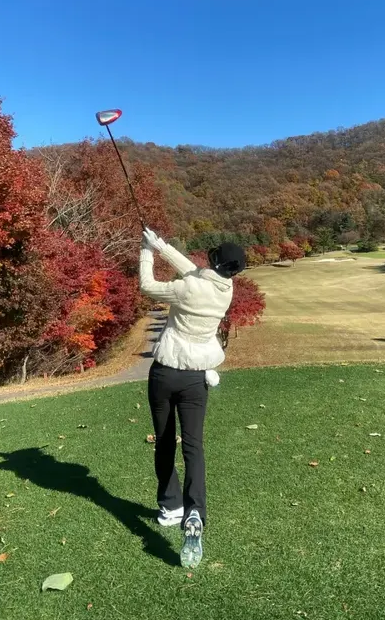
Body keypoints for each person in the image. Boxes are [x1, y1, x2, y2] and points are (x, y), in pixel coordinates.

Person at [139, 228, 246, 568]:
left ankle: (171, 508)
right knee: (194, 446)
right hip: (196, 380)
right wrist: (161, 245)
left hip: (166, 373)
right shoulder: (224, 288)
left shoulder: (188, 288)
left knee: (165, 441)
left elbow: (148, 286)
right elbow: (192, 271)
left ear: (214, 260)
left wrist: (145, 252)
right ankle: (195, 510)